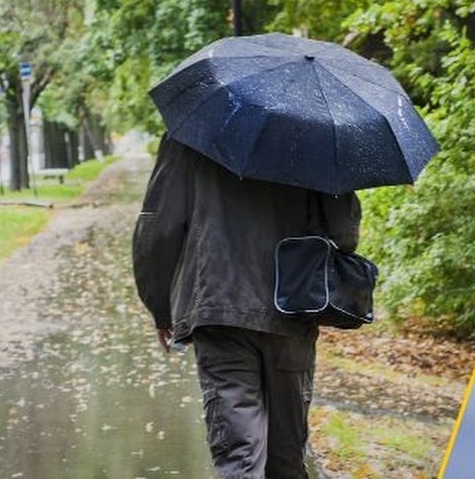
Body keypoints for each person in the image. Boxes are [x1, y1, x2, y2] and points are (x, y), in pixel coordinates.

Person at [132, 136, 361, 478]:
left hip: (219, 306)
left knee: (240, 456)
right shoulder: (317, 135)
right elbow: (344, 235)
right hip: (291, 306)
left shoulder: (193, 133)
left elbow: (159, 226)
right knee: (286, 457)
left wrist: (160, 307)